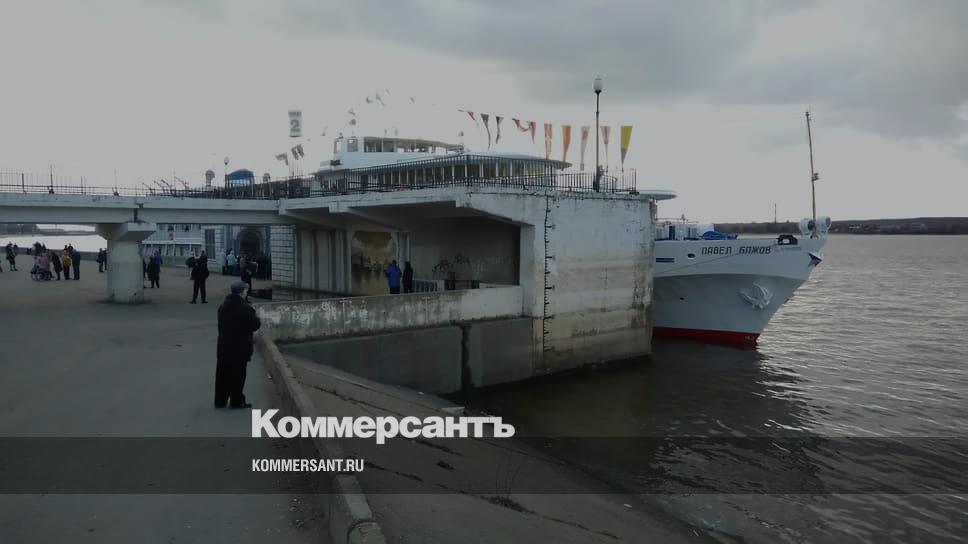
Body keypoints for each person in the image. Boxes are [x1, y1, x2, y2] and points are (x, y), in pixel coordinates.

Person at [214, 281, 261, 409]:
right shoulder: (245, 308)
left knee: (222, 375)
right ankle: (236, 401)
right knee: (238, 376)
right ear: (241, 292)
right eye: (245, 290)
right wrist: (255, 315)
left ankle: (220, 401)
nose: (247, 292)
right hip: (239, 348)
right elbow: (255, 325)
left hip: (224, 346)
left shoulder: (222, 307)